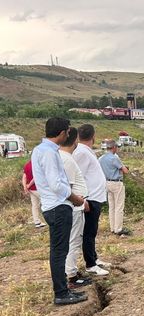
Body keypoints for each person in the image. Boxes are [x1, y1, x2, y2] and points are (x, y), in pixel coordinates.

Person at [31, 117, 87, 305]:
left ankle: (62, 291)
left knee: (58, 251)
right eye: (68, 132)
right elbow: (56, 185)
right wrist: (75, 198)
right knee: (59, 252)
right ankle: (61, 293)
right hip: (58, 206)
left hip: (52, 206)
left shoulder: (40, 150)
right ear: (62, 133)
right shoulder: (48, 153)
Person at [73, 124, 111, 276]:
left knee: (92, 231)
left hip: (95, 197)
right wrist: (83, 199)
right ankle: (90, 264)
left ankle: (94, 258)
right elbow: (78, 177)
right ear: (93, 136)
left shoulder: (85, 151)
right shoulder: (81, 152)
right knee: (88, 232)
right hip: (90, 198)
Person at [59, 127, 93, 288]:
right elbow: (68, 188)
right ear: (74, 141)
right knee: (74, 240)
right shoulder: (67, 160)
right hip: (74, 207)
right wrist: (80, 201)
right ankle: (71, 275)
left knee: (71, 240)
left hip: (72, 206)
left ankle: (69, 271)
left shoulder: (60, 157)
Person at [99, 140, 130, 236]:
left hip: (107, 182)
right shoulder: (114, 158)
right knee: (119, 206)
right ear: (114, 147)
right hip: (116, 183)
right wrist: (125, 167)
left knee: (111, 206)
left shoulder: (101, 158)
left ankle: (112, 227)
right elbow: (125, 171)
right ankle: (118, 228)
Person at [22, 160, 46, 228]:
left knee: (35, 205)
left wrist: (25, 187)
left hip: (31, 190)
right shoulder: (37, 164)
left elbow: (24, 177)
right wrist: (28, 185)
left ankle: (37, 222)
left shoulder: (27, 164)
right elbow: (36, 177)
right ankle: (52, 220)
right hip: (37, 188)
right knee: (47, 202)